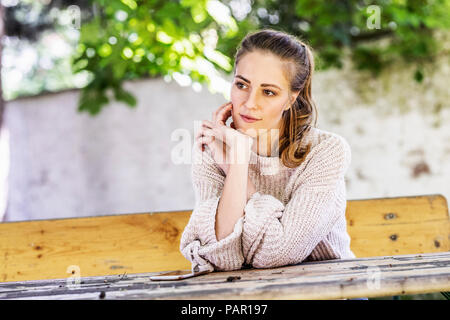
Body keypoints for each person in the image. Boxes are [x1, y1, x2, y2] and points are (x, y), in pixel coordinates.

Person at [180, 29, 356, 276]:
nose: (250, 102)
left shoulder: (325, 151)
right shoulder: (212, 149)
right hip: (252, 296)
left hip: (331, 290)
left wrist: (234, 168)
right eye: (242, 85)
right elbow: (218, 257)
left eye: (269, 91)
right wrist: (238, 162)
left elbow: (278, 253)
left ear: (291, 99)